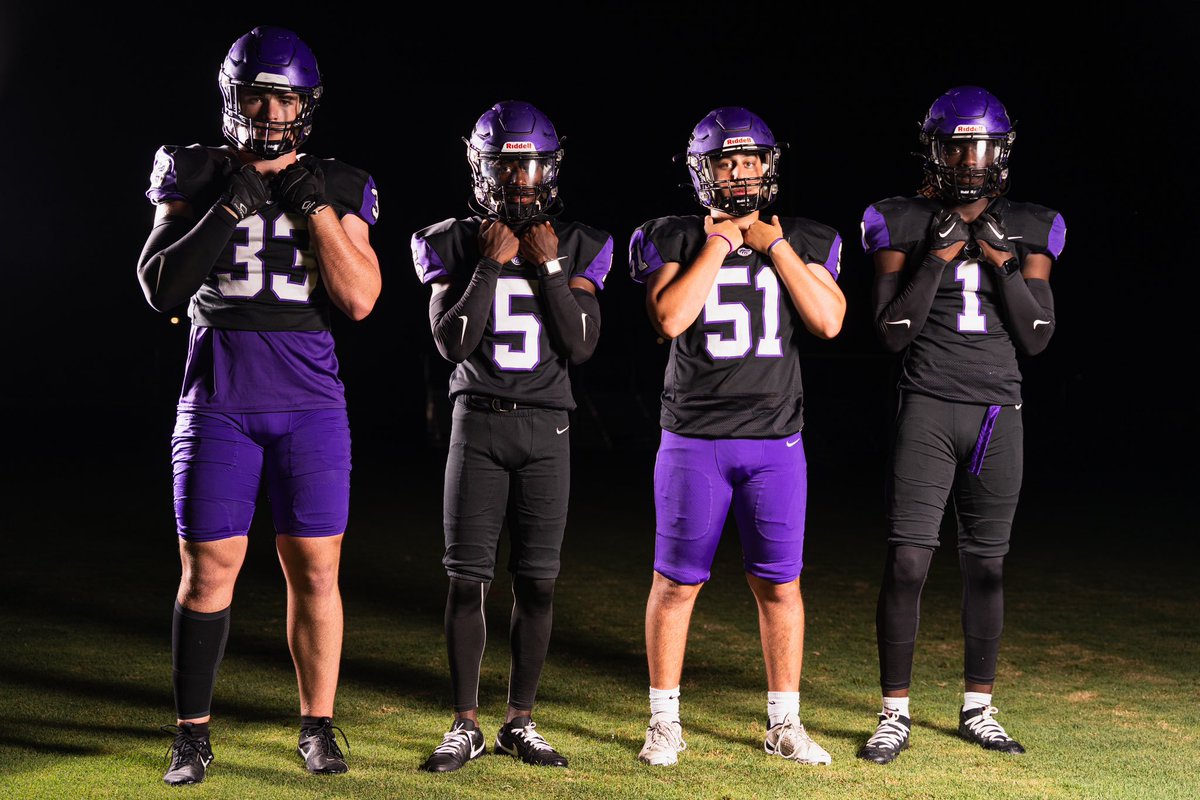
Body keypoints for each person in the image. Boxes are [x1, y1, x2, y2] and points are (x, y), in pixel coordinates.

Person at [137, 25, 381, 785]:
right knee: (208, 569)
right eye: (257, 96)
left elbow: (361, 298)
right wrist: (227, 208)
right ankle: (192, 734)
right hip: (218, 401)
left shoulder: (340, 182)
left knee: (315, 569)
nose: (270, 114)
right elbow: (160, 288)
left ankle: (317, 726)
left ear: (306, 106)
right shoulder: (194, 169)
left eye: (285, 99)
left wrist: (311, 208)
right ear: (231, 97)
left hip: (310, 403)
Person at [629, 107, 845, 767]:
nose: (743, 173)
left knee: (780, 584)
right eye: (730, 161)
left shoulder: (804, 236)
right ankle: (663, 722)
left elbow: (829, 320)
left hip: (775, 441)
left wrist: (773, 246)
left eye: (753, 161)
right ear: (706, 172)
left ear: (770, 167)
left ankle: (784, 722)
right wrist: (722, 242)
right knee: (677, 582)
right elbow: (669, 317)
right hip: (694, 438)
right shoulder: (669, 235)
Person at [856, 86, 1065, 765]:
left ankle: (979, 706)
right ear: (934, 151)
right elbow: (891, 332)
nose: (970, 161)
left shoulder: (1033, 225)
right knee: (909, 560)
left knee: (988, 567)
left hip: (998, 411)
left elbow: (1036, 336)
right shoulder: (899, 219)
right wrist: (941, 257)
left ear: (1001, 154)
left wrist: (1001, 261)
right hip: (928, 403)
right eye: (957, 146)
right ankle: (894, 712)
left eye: (981, 147)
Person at [410, 100, 612, 773]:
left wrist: (550, 267)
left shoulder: (579, 242)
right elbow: (451, 342)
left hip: (548, 428)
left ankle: (519, 720)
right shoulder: (450, 241)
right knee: (468, 581)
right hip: (479, 424)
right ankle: (464, 722)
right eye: (505, 166)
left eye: (528, 167)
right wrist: (490, 266)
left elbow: (581, 345)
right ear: (482, 169)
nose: (519, 180)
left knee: (540, 584)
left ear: (549, 170)